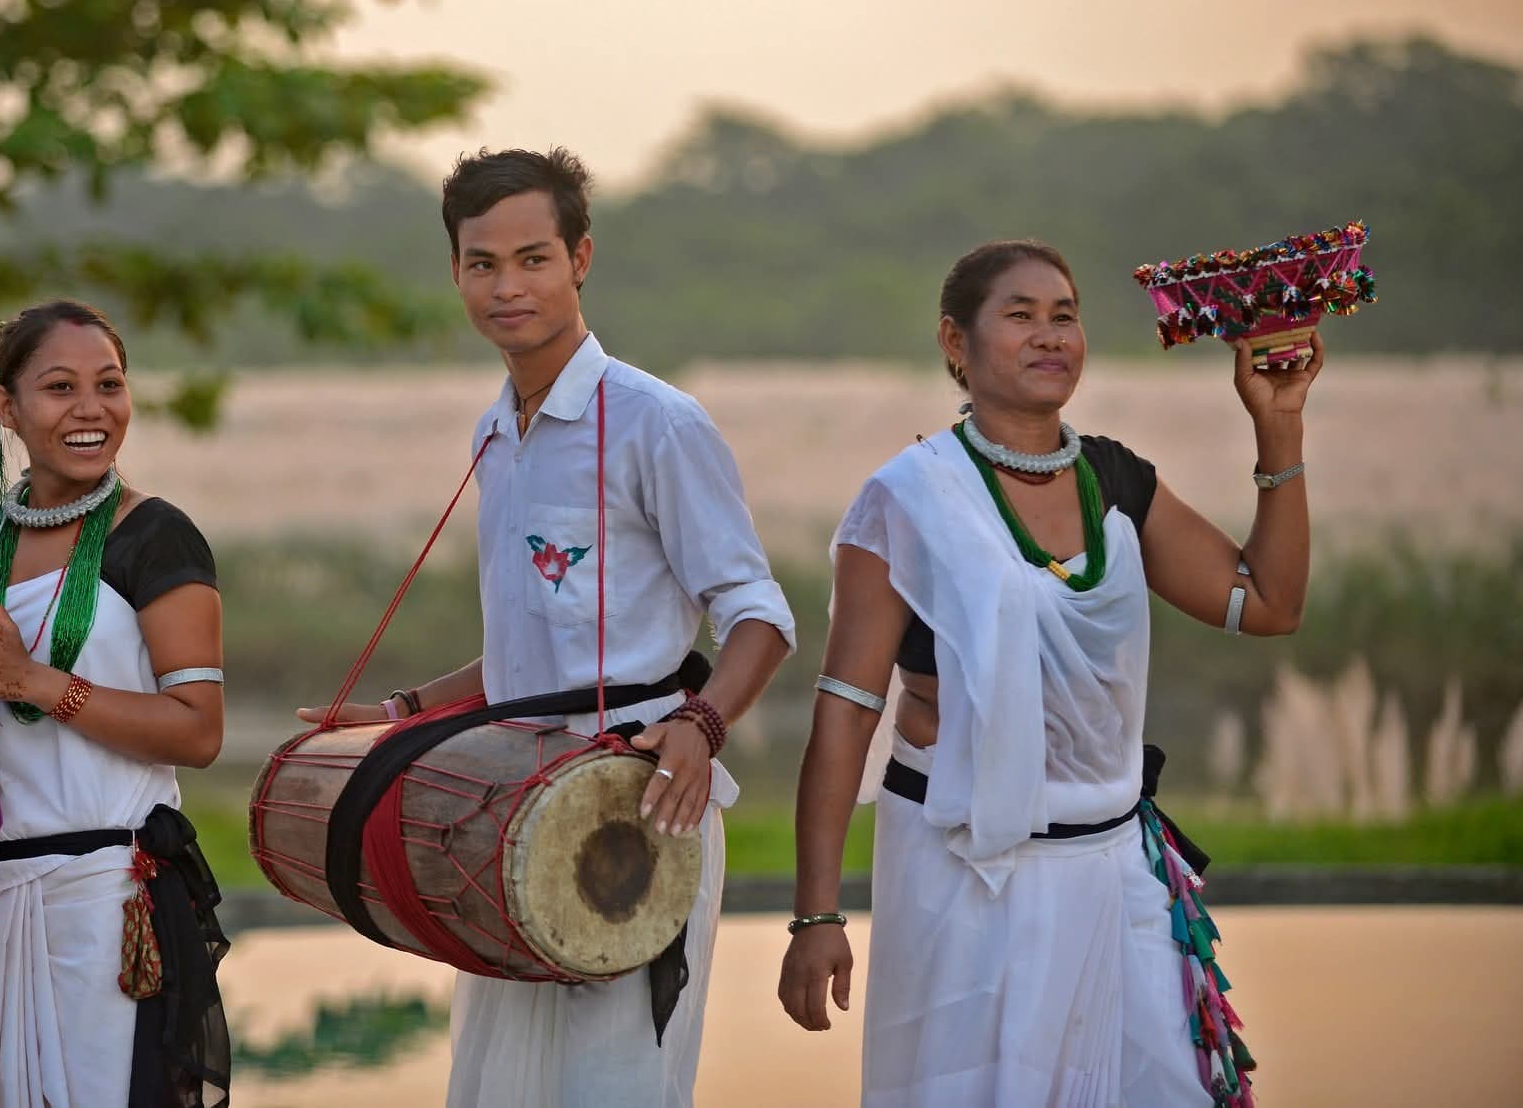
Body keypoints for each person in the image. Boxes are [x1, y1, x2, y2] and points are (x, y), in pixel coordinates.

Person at [303, 147, 795, 1108]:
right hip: (506, 810)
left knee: (615, 1087)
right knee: (495, 1087)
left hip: (636, 804)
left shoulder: (659, 422)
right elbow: (533, 655)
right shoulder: (494, 431)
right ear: (455, 272)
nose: (506, 285)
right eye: (481, 262)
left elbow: (759, 617)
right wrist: (403, 710)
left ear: (581, 258)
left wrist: (701, 727)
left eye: (533, 257)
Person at [779, 240, 1315, 1106]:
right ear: (956, 342)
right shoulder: (909, 499)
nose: (1049, 335)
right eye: (1019, 316)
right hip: (968, 884)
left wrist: (1278, 422)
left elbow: (1268, 604)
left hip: (1115, 874)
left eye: (1064, 314)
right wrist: (816, 914)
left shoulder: (1117, 480)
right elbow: (845, 713)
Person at [0, 299, 231, 1107]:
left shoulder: (156, 536)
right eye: (61, 387)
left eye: (110, 384)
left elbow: (198, 730)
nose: (92, 409)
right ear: (7, 407)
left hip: (111, 908)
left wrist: (32, 682)